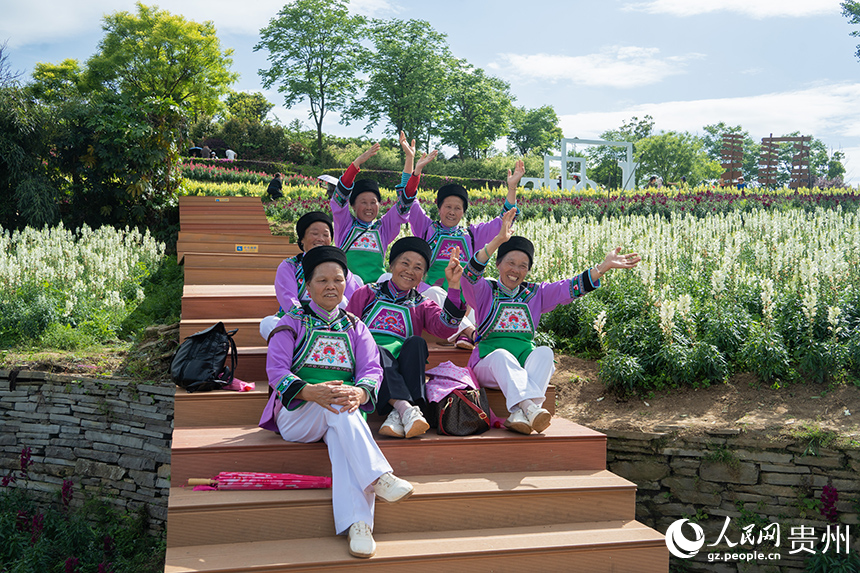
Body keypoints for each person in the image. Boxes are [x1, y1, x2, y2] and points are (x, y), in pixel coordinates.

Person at [259, 246, 414, 559]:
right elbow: (276, 371)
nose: (331, 286)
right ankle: (378, 477)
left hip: (339, 413)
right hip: (297, 415)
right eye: (322, 280)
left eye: (338, 280)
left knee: (343, 434)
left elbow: (372, 370)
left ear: (346, 283)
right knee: (338, 403)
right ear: (307, 286)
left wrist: (361, 393)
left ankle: (359, 525)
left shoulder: (356, 326)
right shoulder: (291, 322)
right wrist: (310, 392)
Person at [460, 209, 641, 435]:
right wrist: (497, 240)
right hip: (489, 364)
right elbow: (469, 275)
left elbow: (569, 287)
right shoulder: (485, 290)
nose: (515, 270)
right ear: (498, 264)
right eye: (510, 263)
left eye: (523, 265)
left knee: (545, 353)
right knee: (502, 356)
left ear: (528, 270)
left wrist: (602, 268)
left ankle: (519, 414)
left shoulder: (536, 293)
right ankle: (531, 408)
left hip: (523, 364)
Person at [346, 237, 466, 439]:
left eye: (418, 267)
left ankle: (398, 412)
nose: (410, 271)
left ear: (423, 276)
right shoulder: (367, 293)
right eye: (405, 263)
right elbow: (348, 330)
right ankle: (408, 409)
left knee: (417, 343)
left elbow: (445, 328)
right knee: (376, 349)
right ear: (391, 265)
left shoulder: (422, 304)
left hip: (403, 365)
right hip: (369, 362)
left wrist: (454, 286)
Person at [408, 160, 523, 349]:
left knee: (489, 286)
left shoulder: (472, 235)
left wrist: (512, 188)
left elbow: (505, 220)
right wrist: (416, 171)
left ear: (463, 212)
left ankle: (478, 336)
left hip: (464, 301)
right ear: (439, 208)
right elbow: (409, 200)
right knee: (437, 292)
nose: (452, 212)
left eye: (458, 208)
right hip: (431, 300)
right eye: (448, 207)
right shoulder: (426, 228)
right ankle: (468, 332)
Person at [331, 136, 437, 284]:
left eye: (373, 202)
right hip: (349, 288)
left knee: (388, 278)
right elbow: (339, 199)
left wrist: (412, 163)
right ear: (353, 205)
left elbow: (405, 201)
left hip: (376, 290)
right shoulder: (345, 225)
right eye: (363, 202)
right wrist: (356, 164)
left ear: (379, 205)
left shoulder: (383, 228)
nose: (369, 207)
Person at [259, 211, 364, 340]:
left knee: (345, 295)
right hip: (300, 322)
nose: (320, 238)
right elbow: (289, 300)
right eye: (315, 233)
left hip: (334, 321)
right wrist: (307, 322)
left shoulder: (339, 268)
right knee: (268, 323)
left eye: (326, 235)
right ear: (302, 239)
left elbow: (353, 301)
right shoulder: (290, 266)